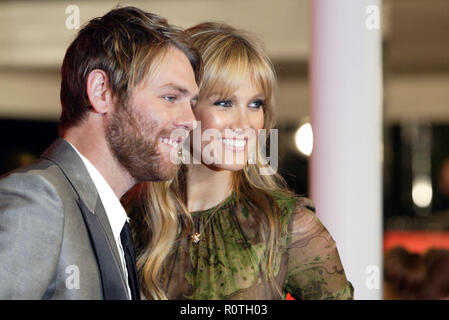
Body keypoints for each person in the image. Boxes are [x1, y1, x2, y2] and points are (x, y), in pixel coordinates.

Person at [127, 22, 353, 300]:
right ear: (185, 107)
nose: (245, 123)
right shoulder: (133, 220)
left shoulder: (287, 225)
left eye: (256, 104)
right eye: (224, 103)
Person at [0, 6, 200, 299]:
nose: (191, 121)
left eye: (192, 103)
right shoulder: (40, 198)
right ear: (101, 92)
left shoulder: (106, 216)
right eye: (170, 97)